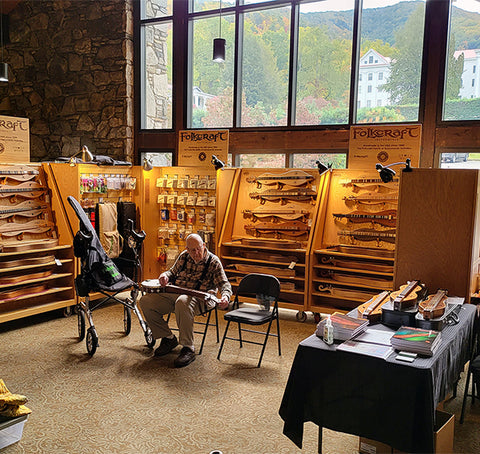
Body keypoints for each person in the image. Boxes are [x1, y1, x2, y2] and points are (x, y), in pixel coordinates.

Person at [140, 233, 232, 368]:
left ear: (204, 245)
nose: (196, 253)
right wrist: (164, 275)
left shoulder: (213, 261)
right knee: (145, 301)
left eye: (199, 248)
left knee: (182, 302)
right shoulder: (184, 256)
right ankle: (168, 339)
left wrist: (225, 296)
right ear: (187, 249)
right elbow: (171, 272)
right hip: (177, 293)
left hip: (201, 298)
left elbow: (225, 284)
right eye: (192, 250)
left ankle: (188, 348)